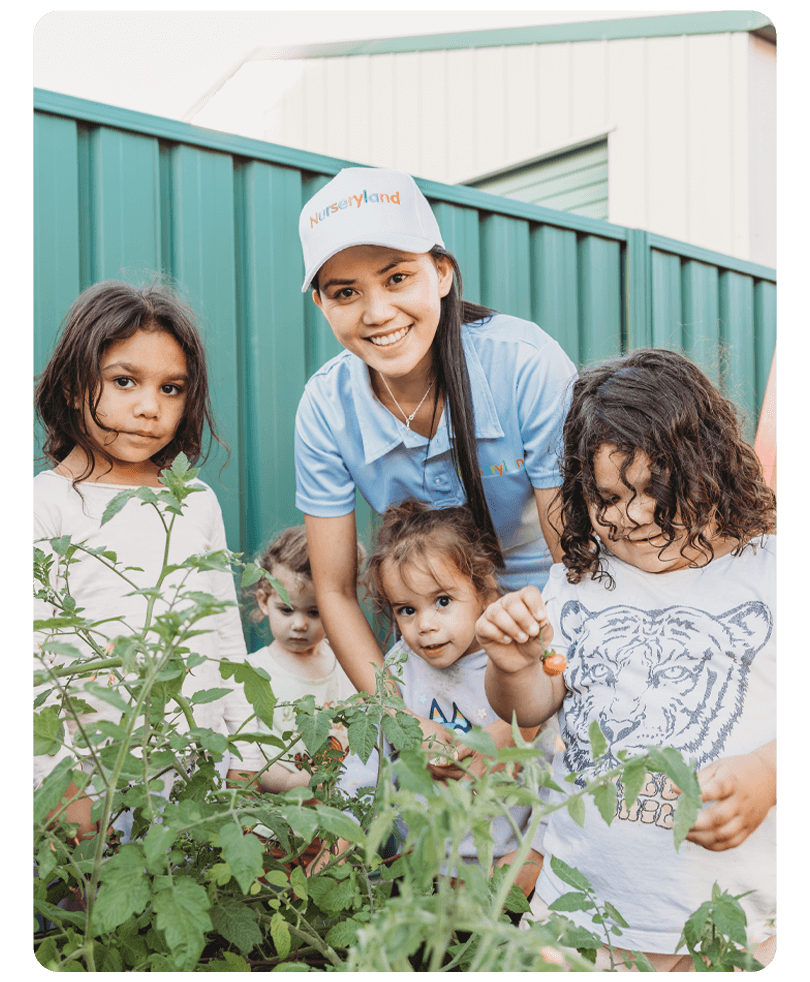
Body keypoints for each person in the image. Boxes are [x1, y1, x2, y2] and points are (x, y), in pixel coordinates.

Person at [477, 349, 777, 969]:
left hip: (727, 929)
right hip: (573, 922)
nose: (633, 517)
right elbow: (532, 708)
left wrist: (768, 773)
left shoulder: (766, 573)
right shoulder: (581, 580)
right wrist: (511, 666)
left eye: (656, 491)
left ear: (711, 465)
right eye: (607, 498)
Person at [294, 167, 578, 709]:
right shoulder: (326, 408)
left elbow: (574, 561)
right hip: (430, 647)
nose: (378, 313)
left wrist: (531, 703)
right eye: (346, 292)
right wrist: (407, 723)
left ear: (442, 273)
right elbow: (334, 590)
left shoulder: (524, 365)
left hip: (546, 628)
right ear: (322, 305)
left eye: (397, 277)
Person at [33, 279, 262, 840]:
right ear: (70, 385)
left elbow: (222, 637)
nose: (148, 408)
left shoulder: (194, 499)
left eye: (171, 388)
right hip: (87, 782)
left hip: (192, 775)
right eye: (124, 381)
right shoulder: (49, 503)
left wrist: (247, 753)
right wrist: (58, 787)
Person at [323, 500, 558, 899]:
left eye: (443, 601)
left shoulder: (514, 667)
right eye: (407, 610)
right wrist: (340, 840)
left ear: (483, 590)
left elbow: (552, 765)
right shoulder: (399, 667)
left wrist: (532, 853)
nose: (425, 625)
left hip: (501, 873)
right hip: (416, 873)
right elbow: (369, 761)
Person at [244, 526, 359, 793]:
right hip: (286, 813)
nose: (299, 624)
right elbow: (252, 749)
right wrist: (290, 783)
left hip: (345, 809)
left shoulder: (345, 661)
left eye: (314, 612)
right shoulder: (255, 671)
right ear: (263, 601)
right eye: (286, 610)